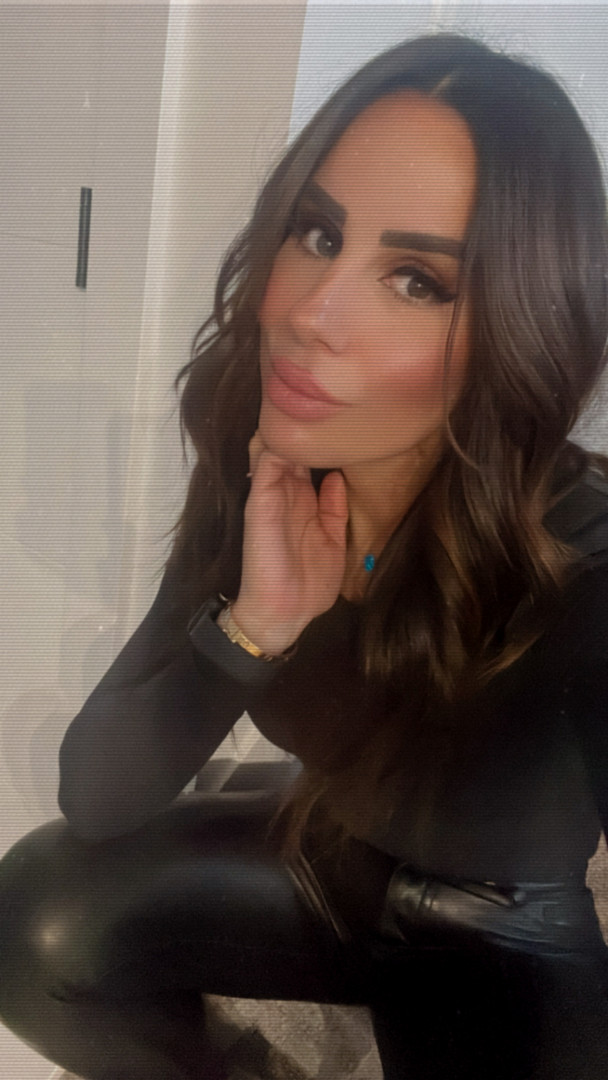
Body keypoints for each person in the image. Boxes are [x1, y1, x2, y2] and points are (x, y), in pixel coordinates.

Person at [1, 30, 608, 1080]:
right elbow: (95, 790)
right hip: (327, 849)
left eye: (415, 280)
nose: (309, 315)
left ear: (520, 330)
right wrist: (257, 626)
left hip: (496, 928)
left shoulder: (584, 567)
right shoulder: (272, 457)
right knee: (33, 922)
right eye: (318, 234)